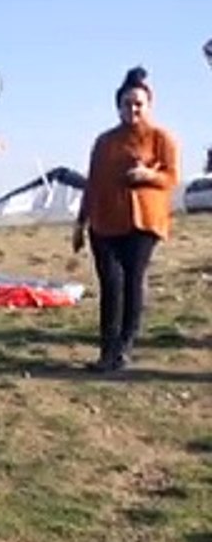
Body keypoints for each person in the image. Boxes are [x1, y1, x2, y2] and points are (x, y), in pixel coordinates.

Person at [73, 66, 181, 372]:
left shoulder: (161, 138)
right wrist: (81, 223)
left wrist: (149, 174)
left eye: (138, 103)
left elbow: (172, 177)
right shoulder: (104, 141)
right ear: (117, 106)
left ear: (148, 106)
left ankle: (124, 347)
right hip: (104, 221)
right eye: (126, 103)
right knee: (110, 284)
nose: (132, 109)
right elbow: (92, 182)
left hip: (142, 223)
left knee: (132, 281)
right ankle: (106, 350)